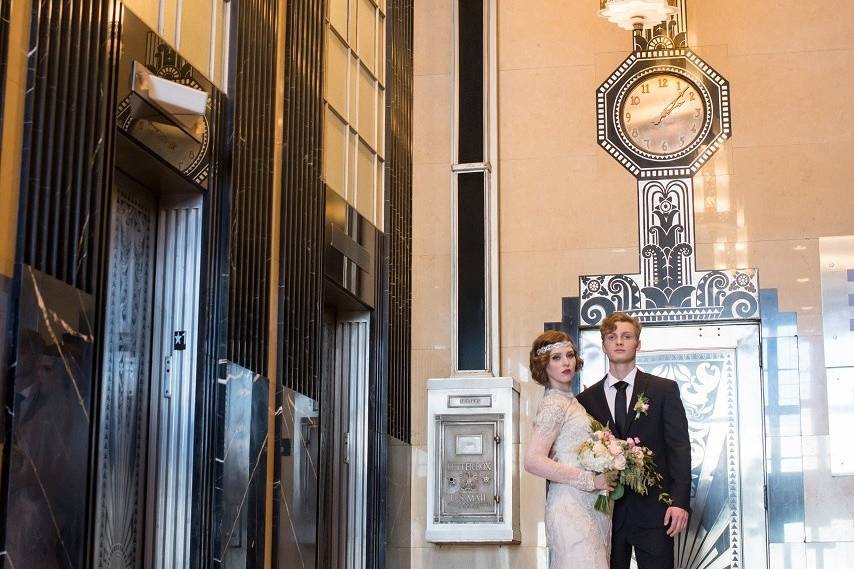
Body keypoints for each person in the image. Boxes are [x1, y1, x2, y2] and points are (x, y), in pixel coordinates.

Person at [576, 312, 691, 569]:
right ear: (604, 345)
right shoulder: (586, 400)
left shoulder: (663, 390)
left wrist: (680, 503)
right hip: (605, 513)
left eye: (626, 336)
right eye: (612, 337)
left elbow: (679, 449)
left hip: (655, 511)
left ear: (638, 344)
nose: (619, 342)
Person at [524, 330, 615, 569]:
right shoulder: (553, 403)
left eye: (569, 355)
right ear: (544, 365)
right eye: (556, 357)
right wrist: (591, 480)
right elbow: (533, 460)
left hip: (590, 506)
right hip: (569, 506)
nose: (566, 362)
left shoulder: (571, 401)